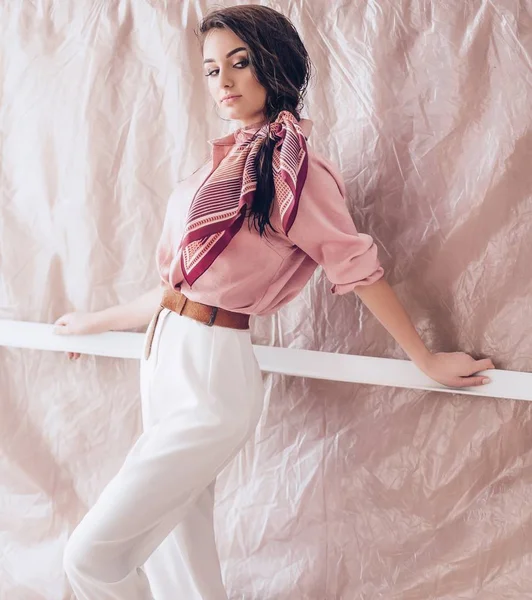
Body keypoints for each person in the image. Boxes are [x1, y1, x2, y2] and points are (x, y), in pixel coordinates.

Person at [53, 5, 495, 599]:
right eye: (212, 70)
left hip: (212, 369)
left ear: (274, 64)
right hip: (166, 358)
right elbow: (180, 288)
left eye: (241, 63)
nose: (225, 83)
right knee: (177, 554)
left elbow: (354, 266)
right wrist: (92, 322)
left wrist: (425, 358)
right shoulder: (225, 164)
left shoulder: (295, 171)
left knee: (92, 556)